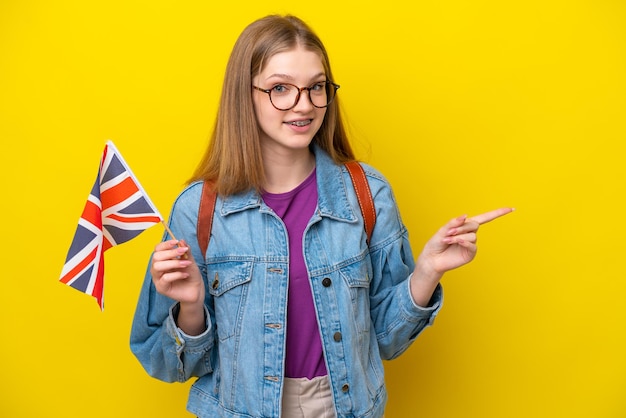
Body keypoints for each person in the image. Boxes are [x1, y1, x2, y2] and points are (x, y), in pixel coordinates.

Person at [130, 14, 512, 418]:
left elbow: (386, 339)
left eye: (316, 87)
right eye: (281, 88)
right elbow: (164, 364)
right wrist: (190, 310)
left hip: (343, 408)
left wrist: (427, 272)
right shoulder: (199, 209)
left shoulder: (367, 194)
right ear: (245, 95)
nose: (305, 105)